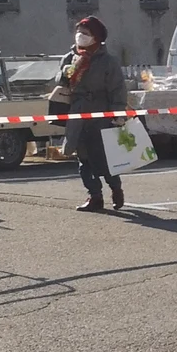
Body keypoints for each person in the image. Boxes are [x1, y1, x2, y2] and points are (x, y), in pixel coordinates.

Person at [57, 17, 130, 213]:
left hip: (101, 114)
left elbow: (117, 90)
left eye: (86, 33)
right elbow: (58, 81)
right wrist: (66, 71)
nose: (80, 36)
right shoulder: (70, 57)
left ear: (96, 37)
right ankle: (94, 196)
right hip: (77, 114)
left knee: (103, 157)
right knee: (84, 157)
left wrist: (118, 113)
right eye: (79, 32)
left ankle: (115, 187)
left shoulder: (108, 62)